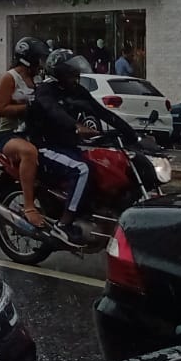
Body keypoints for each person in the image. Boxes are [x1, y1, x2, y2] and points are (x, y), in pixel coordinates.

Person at [27, 47, 137, 245]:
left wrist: (133, 136)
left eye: (75, 71)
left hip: (69, 147)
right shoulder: (45, 90)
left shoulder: (77, 90)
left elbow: (103, 112)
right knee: (82, 170)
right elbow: (53, 111)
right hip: (45, 147)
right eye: (70, 72)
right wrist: (76, 126)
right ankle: (64, 224)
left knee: (103, 167)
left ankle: (93, 213)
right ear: (59, 72)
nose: (75, 75)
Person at [0, 37, 48, 230]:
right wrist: (26, 108)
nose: (41, 64)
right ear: (27, 59)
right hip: (9, 135)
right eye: (38, 59)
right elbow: (0, 109)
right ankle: (29, 207)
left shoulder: (38, 80)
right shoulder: (10, 78)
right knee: (29, 152)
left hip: (33, 133)